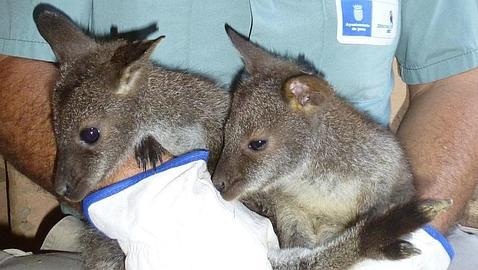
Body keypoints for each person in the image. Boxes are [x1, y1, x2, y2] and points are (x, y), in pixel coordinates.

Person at [0, 0, 477, 269]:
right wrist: (143, 204)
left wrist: (416, 232)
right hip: (129, 235)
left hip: (349, 210)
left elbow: (456, 81)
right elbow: (11, 64)